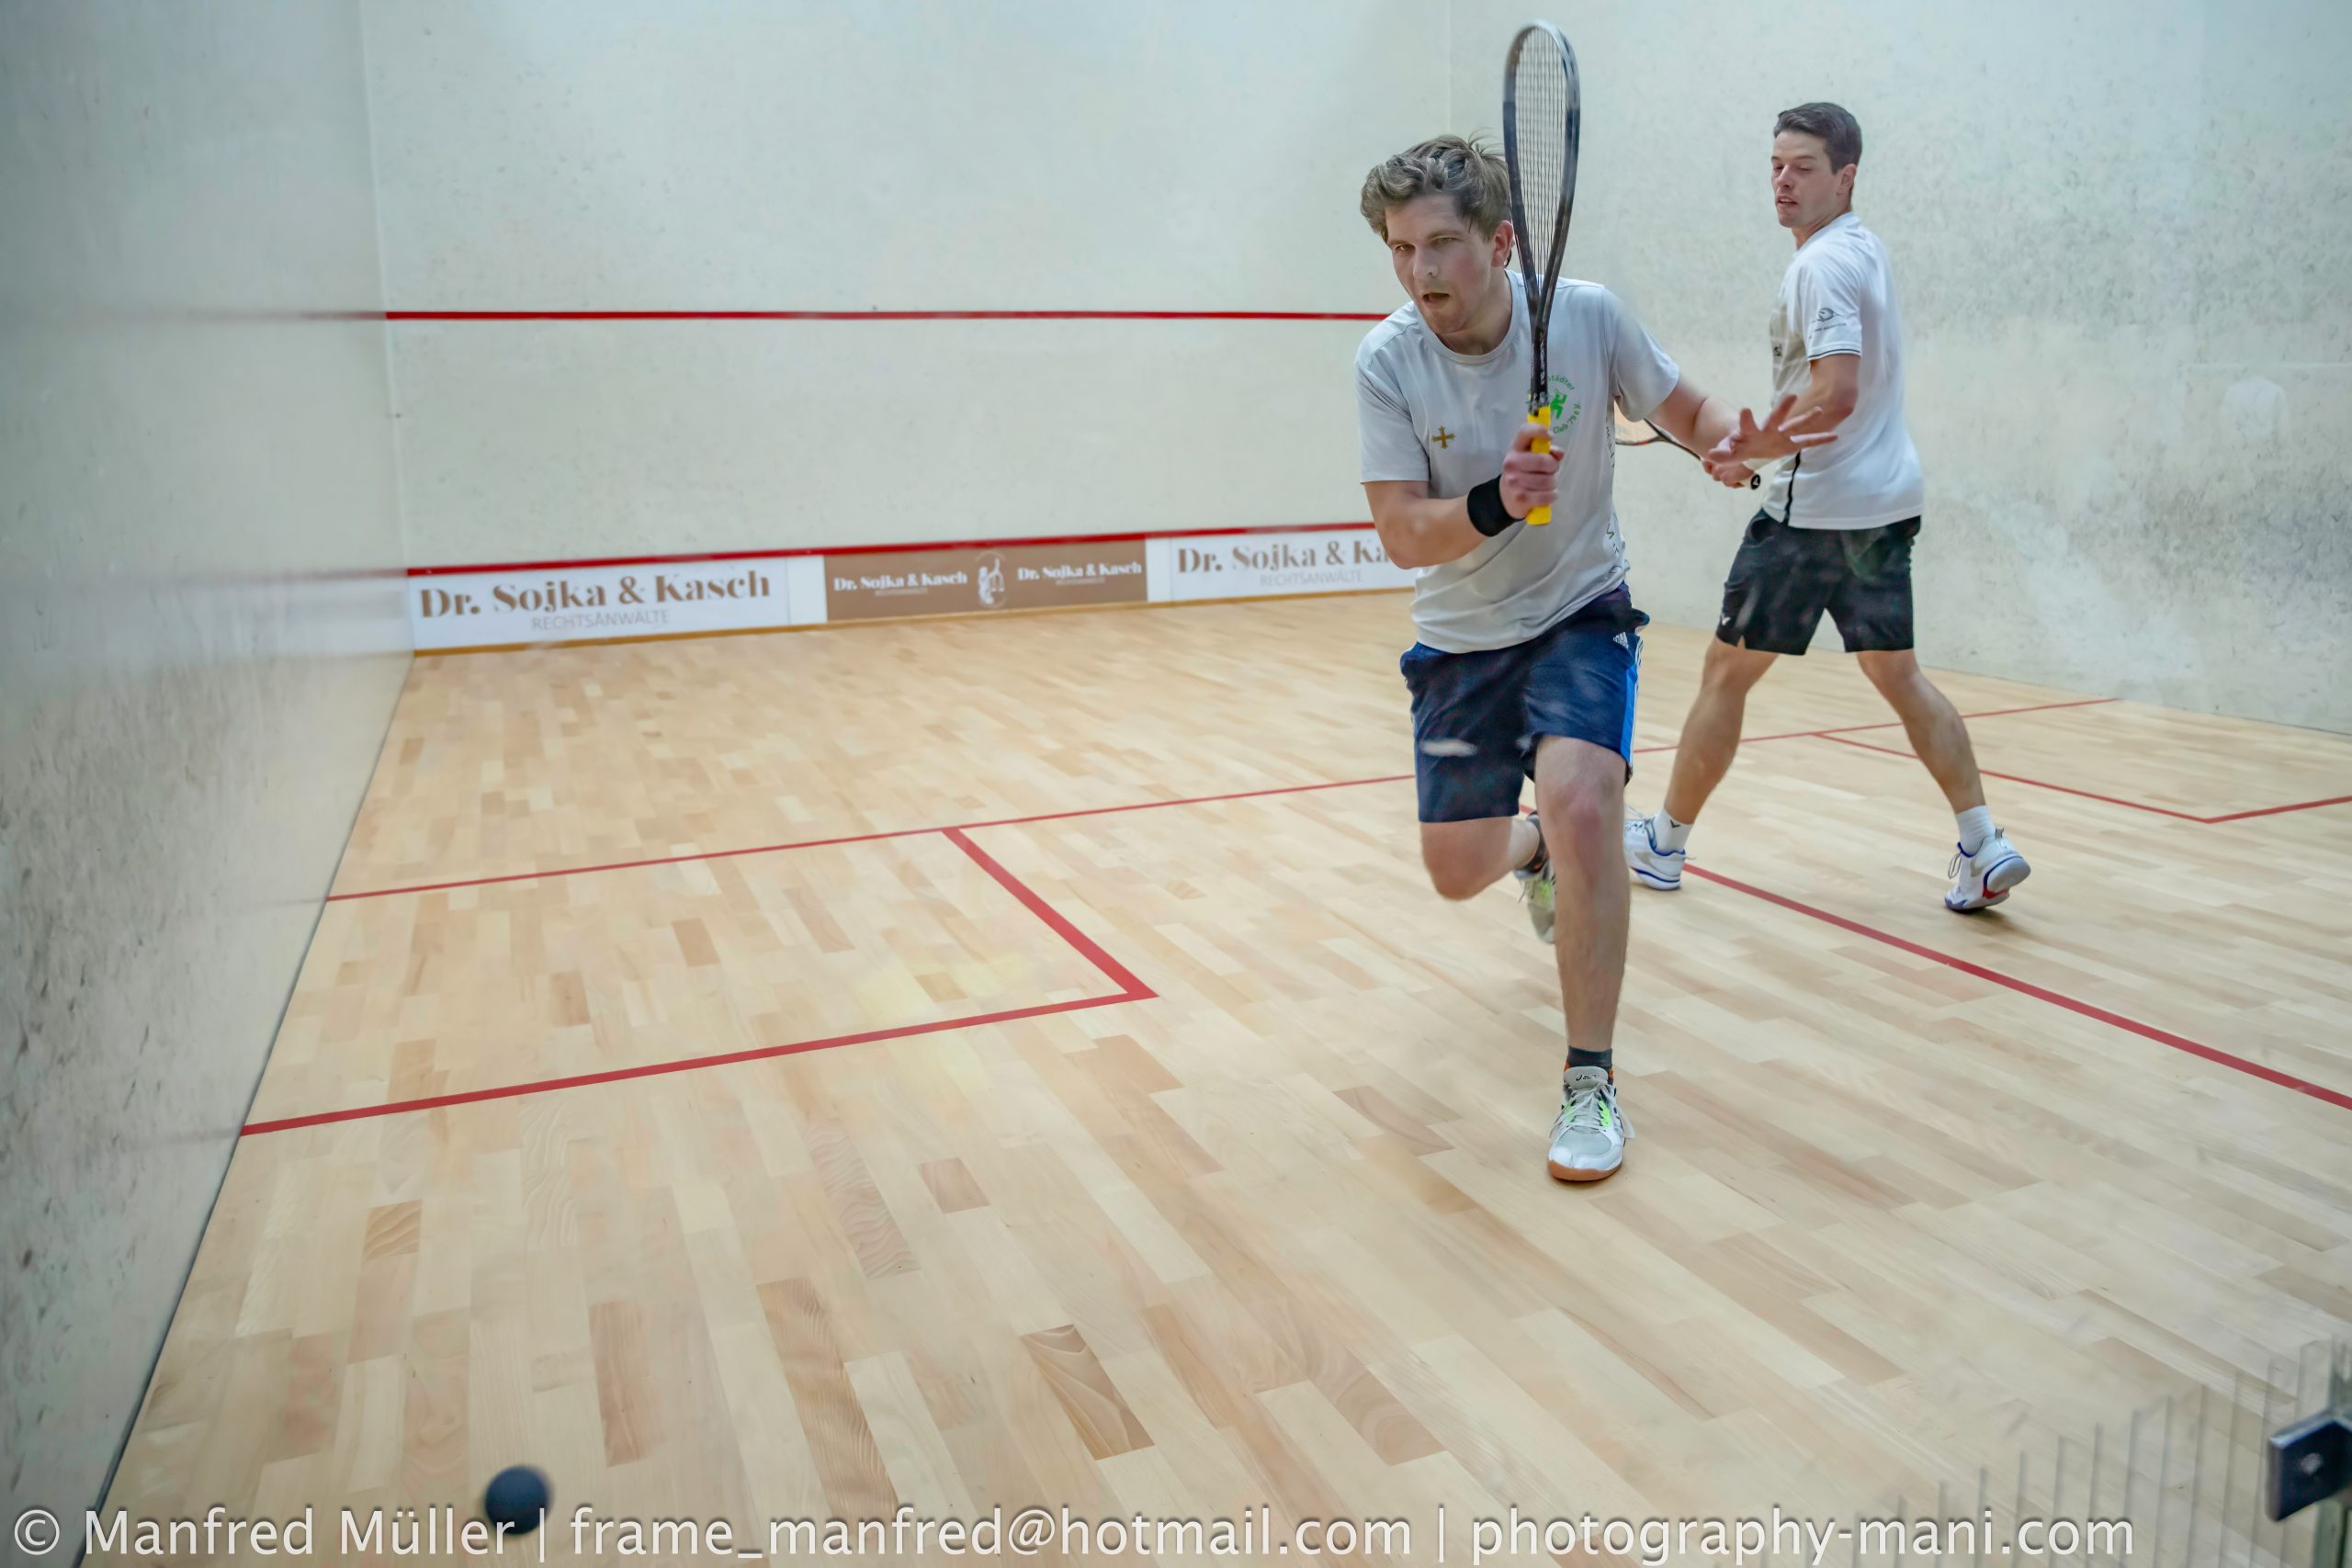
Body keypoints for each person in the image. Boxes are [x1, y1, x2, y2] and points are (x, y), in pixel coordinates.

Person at [1354, 135, 1799, 1182]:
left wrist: (1726, 440)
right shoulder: (1387, 362)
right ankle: (1532, 854)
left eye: (1442, 244)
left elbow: (1682, 408)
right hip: (1461, 641)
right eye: (1401, 248)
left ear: (1503, 243)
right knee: (1456, 868)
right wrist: (1493, 502)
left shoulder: (1587, 318)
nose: (1420, 271)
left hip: (1577, 611)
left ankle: (1589, 1079)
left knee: (1587, 800)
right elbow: (1402, 533)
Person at [1623, 102, 2031, 913]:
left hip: (1811, 517)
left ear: (1846, 177)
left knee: (1725, 674)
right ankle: (1984, 843)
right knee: (1898, 673)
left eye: (1803, 167)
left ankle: (1663, 845)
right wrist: (1760, 449)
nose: (1783, 181)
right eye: (1776, 165)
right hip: (1883, 506)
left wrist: (1754, 453)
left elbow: (1835, 392)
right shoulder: (1864, 249)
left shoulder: (1819, 267)